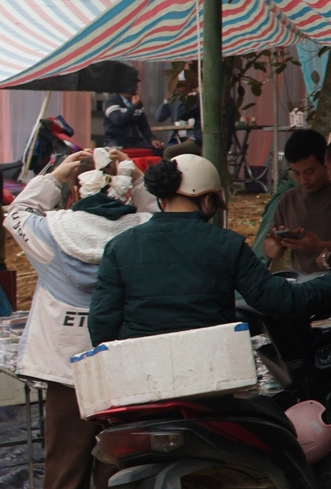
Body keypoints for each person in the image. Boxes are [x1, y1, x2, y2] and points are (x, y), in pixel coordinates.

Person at [5, 148, 152, 489]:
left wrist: (55, 174)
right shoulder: (139, 236)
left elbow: (19, 213)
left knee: (61, 479)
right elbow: (156, 214)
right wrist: (137, 180)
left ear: (77, 192)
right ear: (125, 191)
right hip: (120, 372)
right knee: (117, 481)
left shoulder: (52, 234)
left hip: (65, 374)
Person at [91, 153, 331, 345]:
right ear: (207, 200)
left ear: (163, 199)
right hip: (213, 371)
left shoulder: (119, 247)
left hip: (140, 373)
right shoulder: (228, 244)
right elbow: (281, 301)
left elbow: (102, 324)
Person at [262, 128, 331, 272]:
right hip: (301, 284)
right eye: (296, 173)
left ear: (325, 163)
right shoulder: (289, 199)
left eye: (310, 172)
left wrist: (320, 245)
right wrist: (278, 242)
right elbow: (270, 252)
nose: (303, 180)